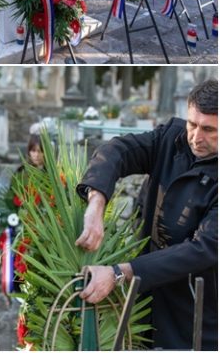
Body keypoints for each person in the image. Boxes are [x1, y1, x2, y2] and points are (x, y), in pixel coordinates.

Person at [76, 78, 217, 350]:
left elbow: (202, 249)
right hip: (142, 308)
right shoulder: (171, 138)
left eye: (209, 129)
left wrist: (120, 273)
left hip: (195, 317)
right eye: (192, 124)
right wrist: (96, 201)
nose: (196, 137)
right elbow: (117, 150)